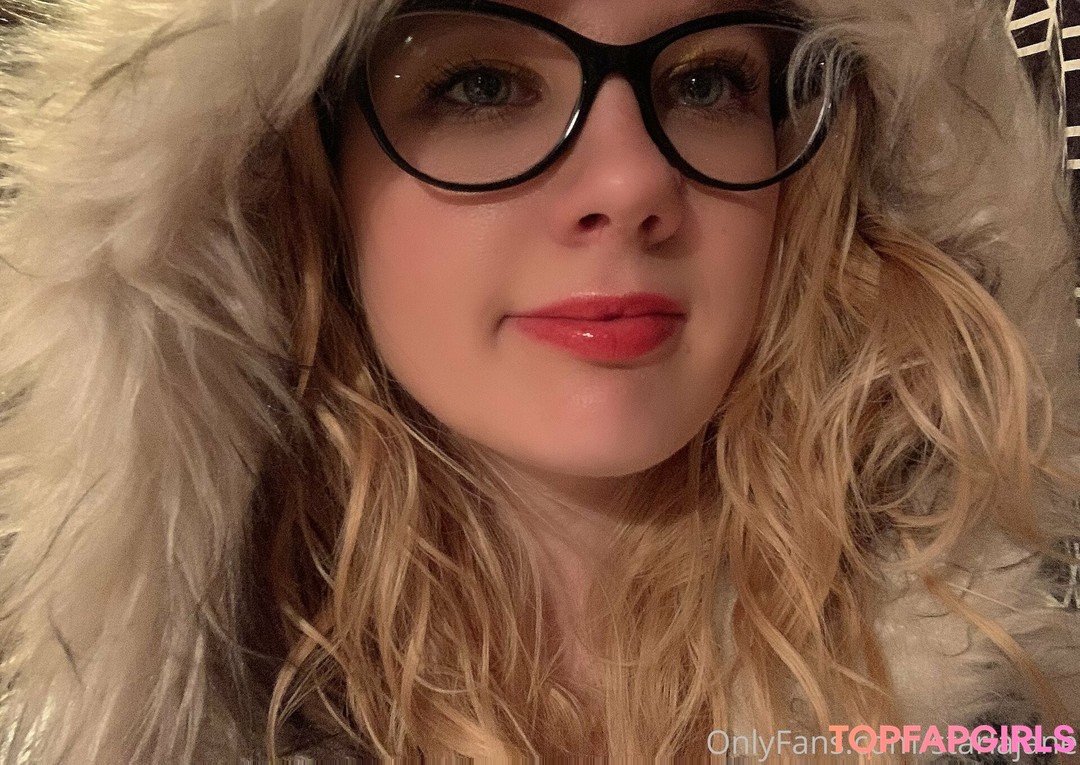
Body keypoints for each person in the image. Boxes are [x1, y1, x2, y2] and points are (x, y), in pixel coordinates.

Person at [0, 0, 1077, 760]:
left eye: (705, 82)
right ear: (296, 181)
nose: (633, 179)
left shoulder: (1007, 699)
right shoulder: (132, 715)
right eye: (480, 85)